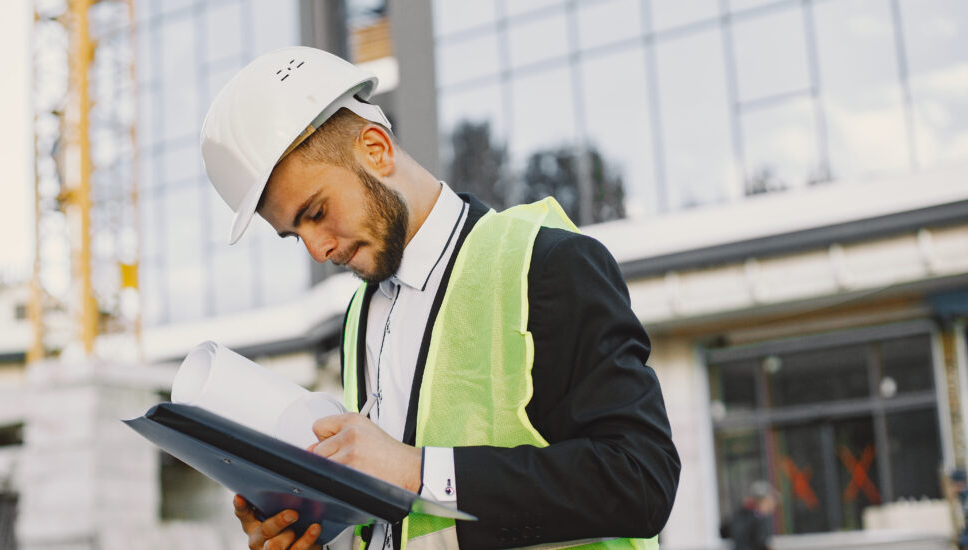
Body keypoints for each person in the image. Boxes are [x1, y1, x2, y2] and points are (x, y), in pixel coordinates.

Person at [200, 46, 680, 550]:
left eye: (316, 212)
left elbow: (641, 480)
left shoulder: (546, 264)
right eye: (294, 234)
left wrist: (417, 470)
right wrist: (310, 527)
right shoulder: (359, 316)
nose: (318, 250)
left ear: (375, 149)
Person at [719, 481, 775, 550]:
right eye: (769, 501)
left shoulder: (740, 514)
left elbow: (724, 531)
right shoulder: (758, 517)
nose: (771, 505)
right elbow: (760, 541)